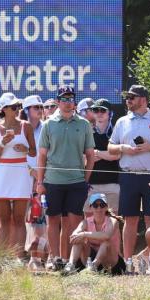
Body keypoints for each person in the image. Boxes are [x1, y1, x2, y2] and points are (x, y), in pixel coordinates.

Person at [107, 85, 150, 272]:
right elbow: (110, 148)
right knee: (129, 220)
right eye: (128, 97)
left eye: (132, 97)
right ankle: (129, 263)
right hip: (128, 176)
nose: (128, 100)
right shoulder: (122, 121)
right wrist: (123, 148)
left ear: (143, 100)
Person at [35, 86, 95, 271]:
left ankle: (72, 260)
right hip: (52, 180)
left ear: (74, 102)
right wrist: (40, 182)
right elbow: (42, 156)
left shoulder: (84, 124)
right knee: (53, 220)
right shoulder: (48, 124)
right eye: (64, 99)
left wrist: (84, 180)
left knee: (74, 221)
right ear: (58, 102)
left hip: (76, 181)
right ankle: (55, 258)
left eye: (71, 99)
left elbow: (90, 155)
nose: (68, 102)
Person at [0, 93, 36, 258]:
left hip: (21, 173)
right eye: (13, 107)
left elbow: (33, 151)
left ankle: (19, 256)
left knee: (18, 218)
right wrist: (3, 142)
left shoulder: (27, 126)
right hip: (3, 172)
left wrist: (25, 150)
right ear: (4, 109)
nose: (17, 109)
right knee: (4, 218)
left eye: (18, 106)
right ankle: (4, 257)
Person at [67, 192, 123, 274]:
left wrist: (84, 234)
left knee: (106, 242)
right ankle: (70, 265)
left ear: (106, 207)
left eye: (102, 205)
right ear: (91, 208)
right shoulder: (85, 222)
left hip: (111, 262)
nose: (99, 208)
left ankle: (93, 267)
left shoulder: (112, 221)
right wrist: (77, 235)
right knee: (79, 239)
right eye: (95, 205)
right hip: (89, 257)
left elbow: (106, 236)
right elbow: (74, 235)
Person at [85, 100, 121, 212]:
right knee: (89, 220)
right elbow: (83, 158)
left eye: (103, 110)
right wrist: (106, 154)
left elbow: (117, 155)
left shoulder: (117, 131)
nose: (99, 113)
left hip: (113, 184)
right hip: (91, 184)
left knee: (114, 220)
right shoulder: (86, 132)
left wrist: (96, 153)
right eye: (96, 110)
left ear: (110, 113)